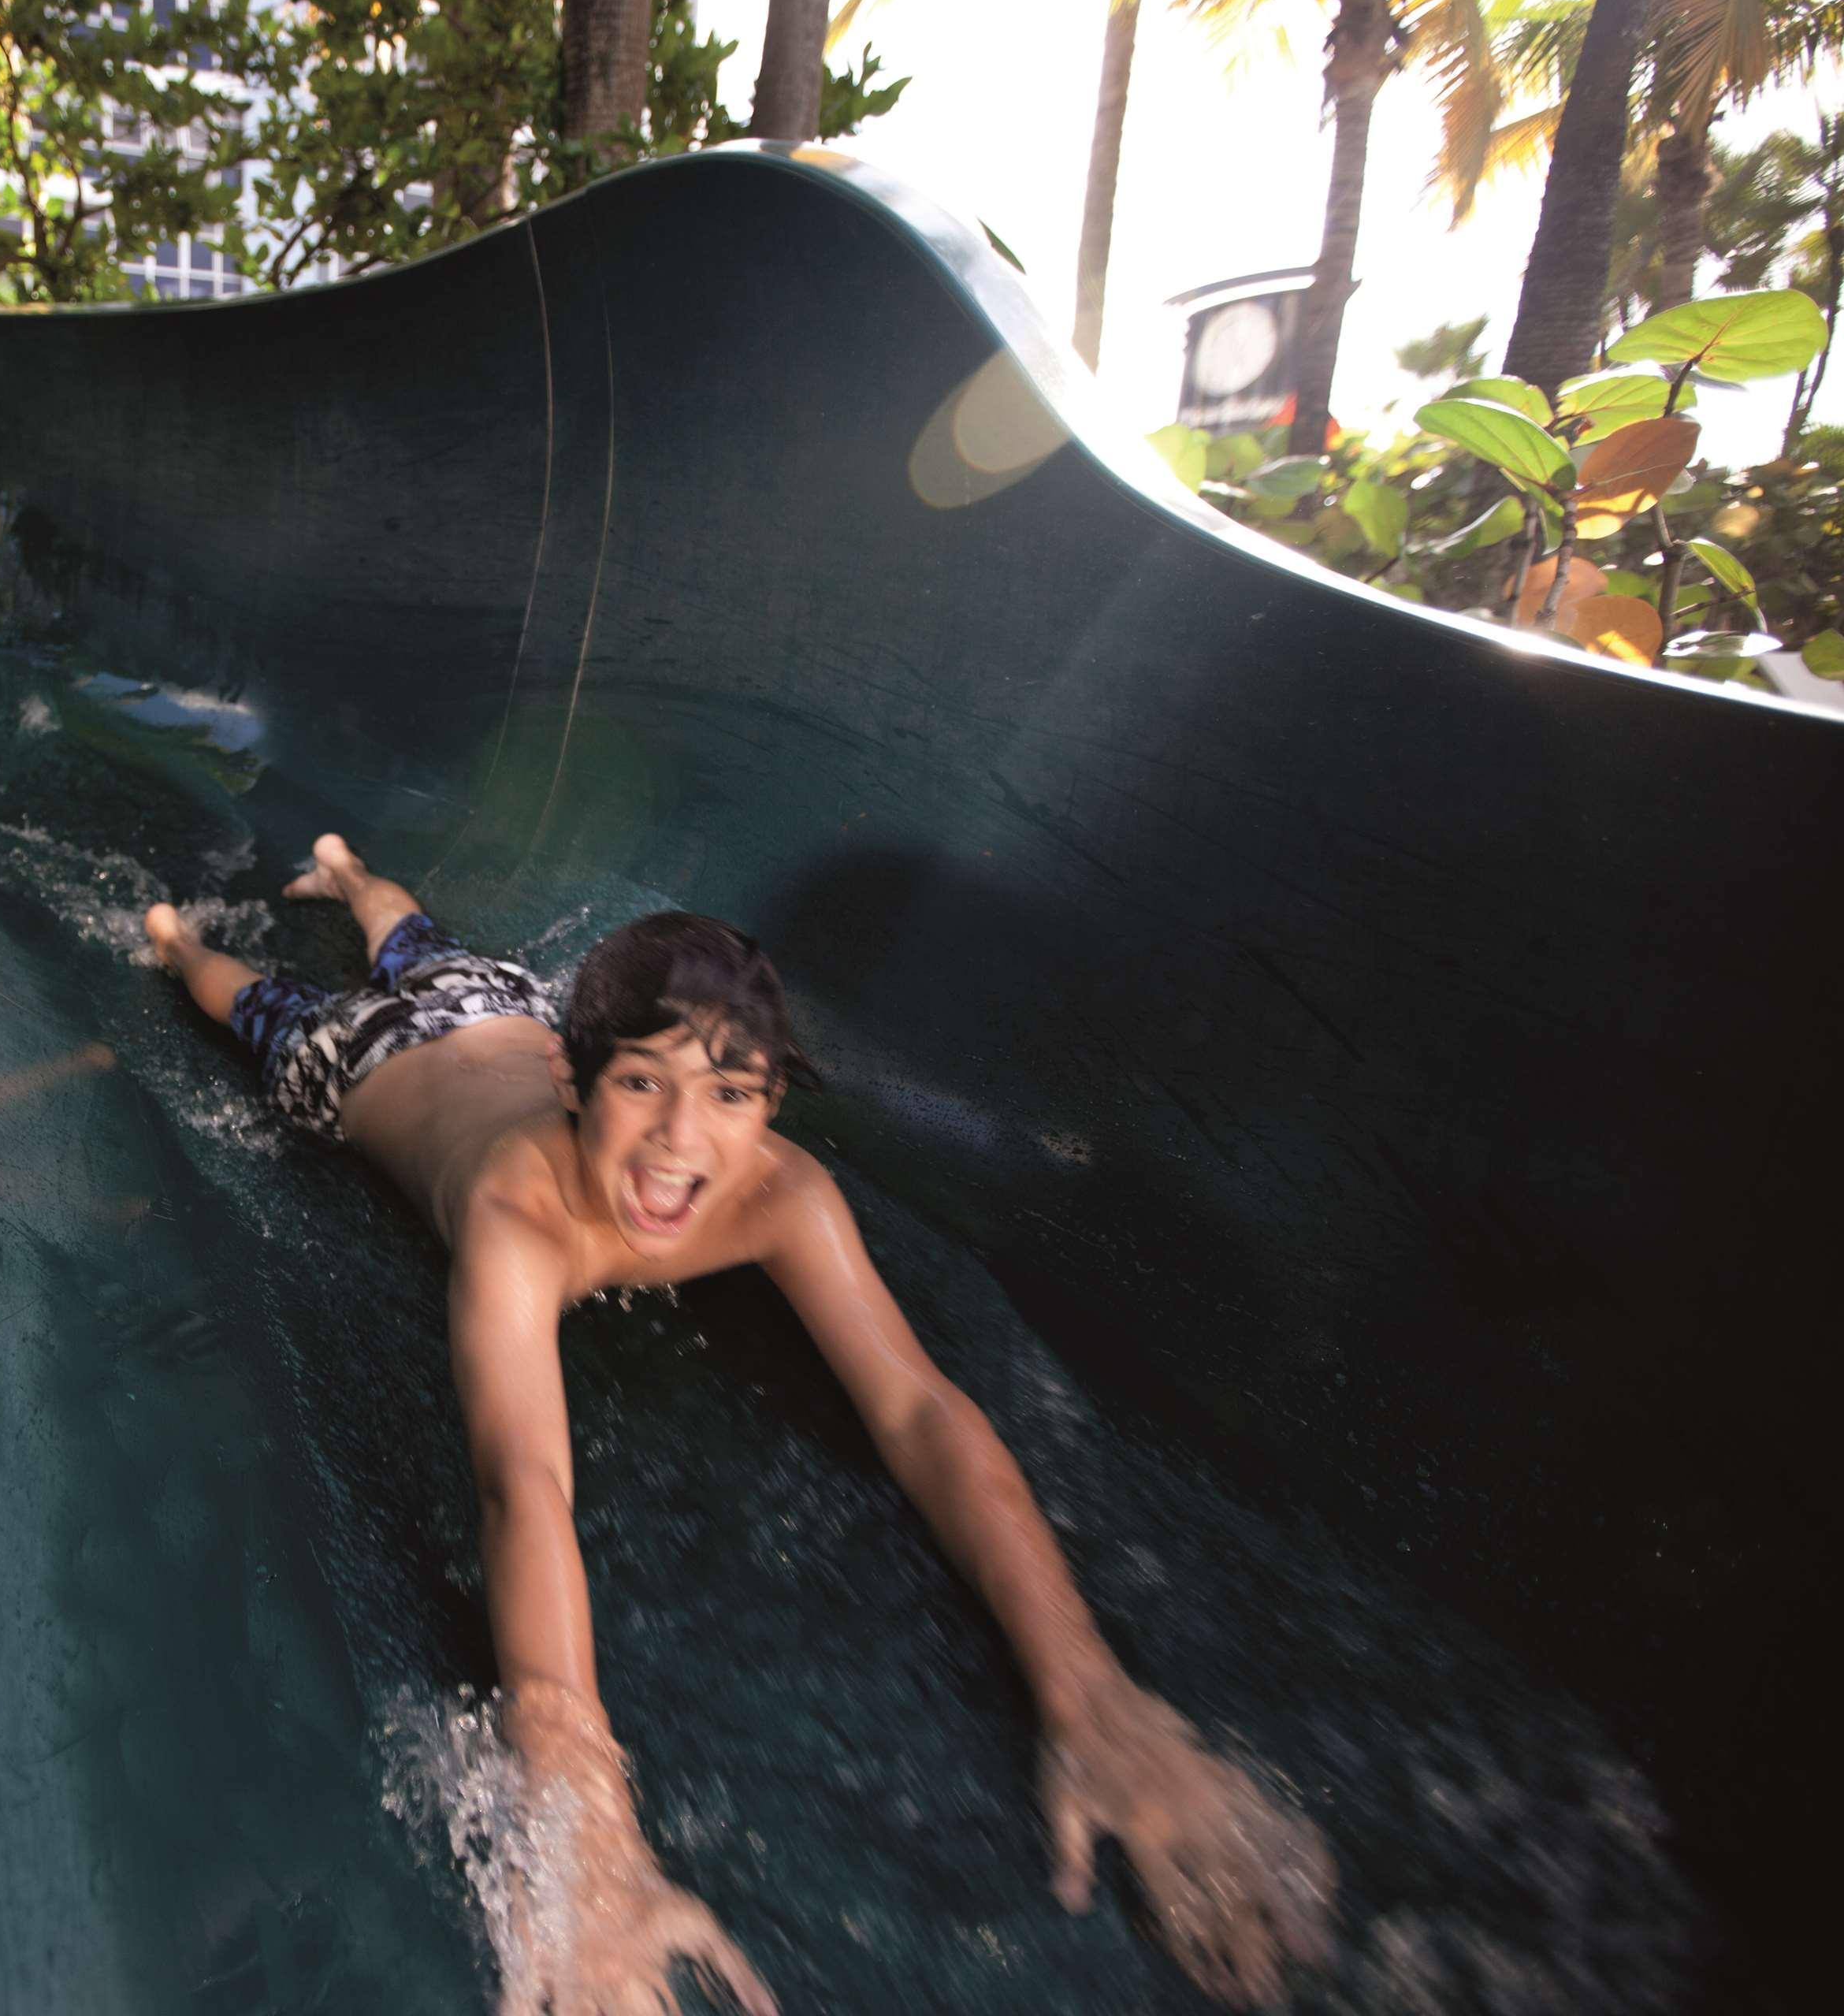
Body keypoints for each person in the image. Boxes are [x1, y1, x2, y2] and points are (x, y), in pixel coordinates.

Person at [141, 836, 1336, 2016]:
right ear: (576, 1080)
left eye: (730, 1093)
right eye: (642, 1085)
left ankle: (347, 876)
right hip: (368, 1066)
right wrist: (585, 1832)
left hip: (479, 1002)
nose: (679, 1143)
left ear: (771, 1099)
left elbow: (919, 1407)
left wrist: (1092, 1691)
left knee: (411, 933)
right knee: (245, 1000)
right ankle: (177, 935)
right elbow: (526, 1486)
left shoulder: (779, 1195)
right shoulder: (520, 1210)